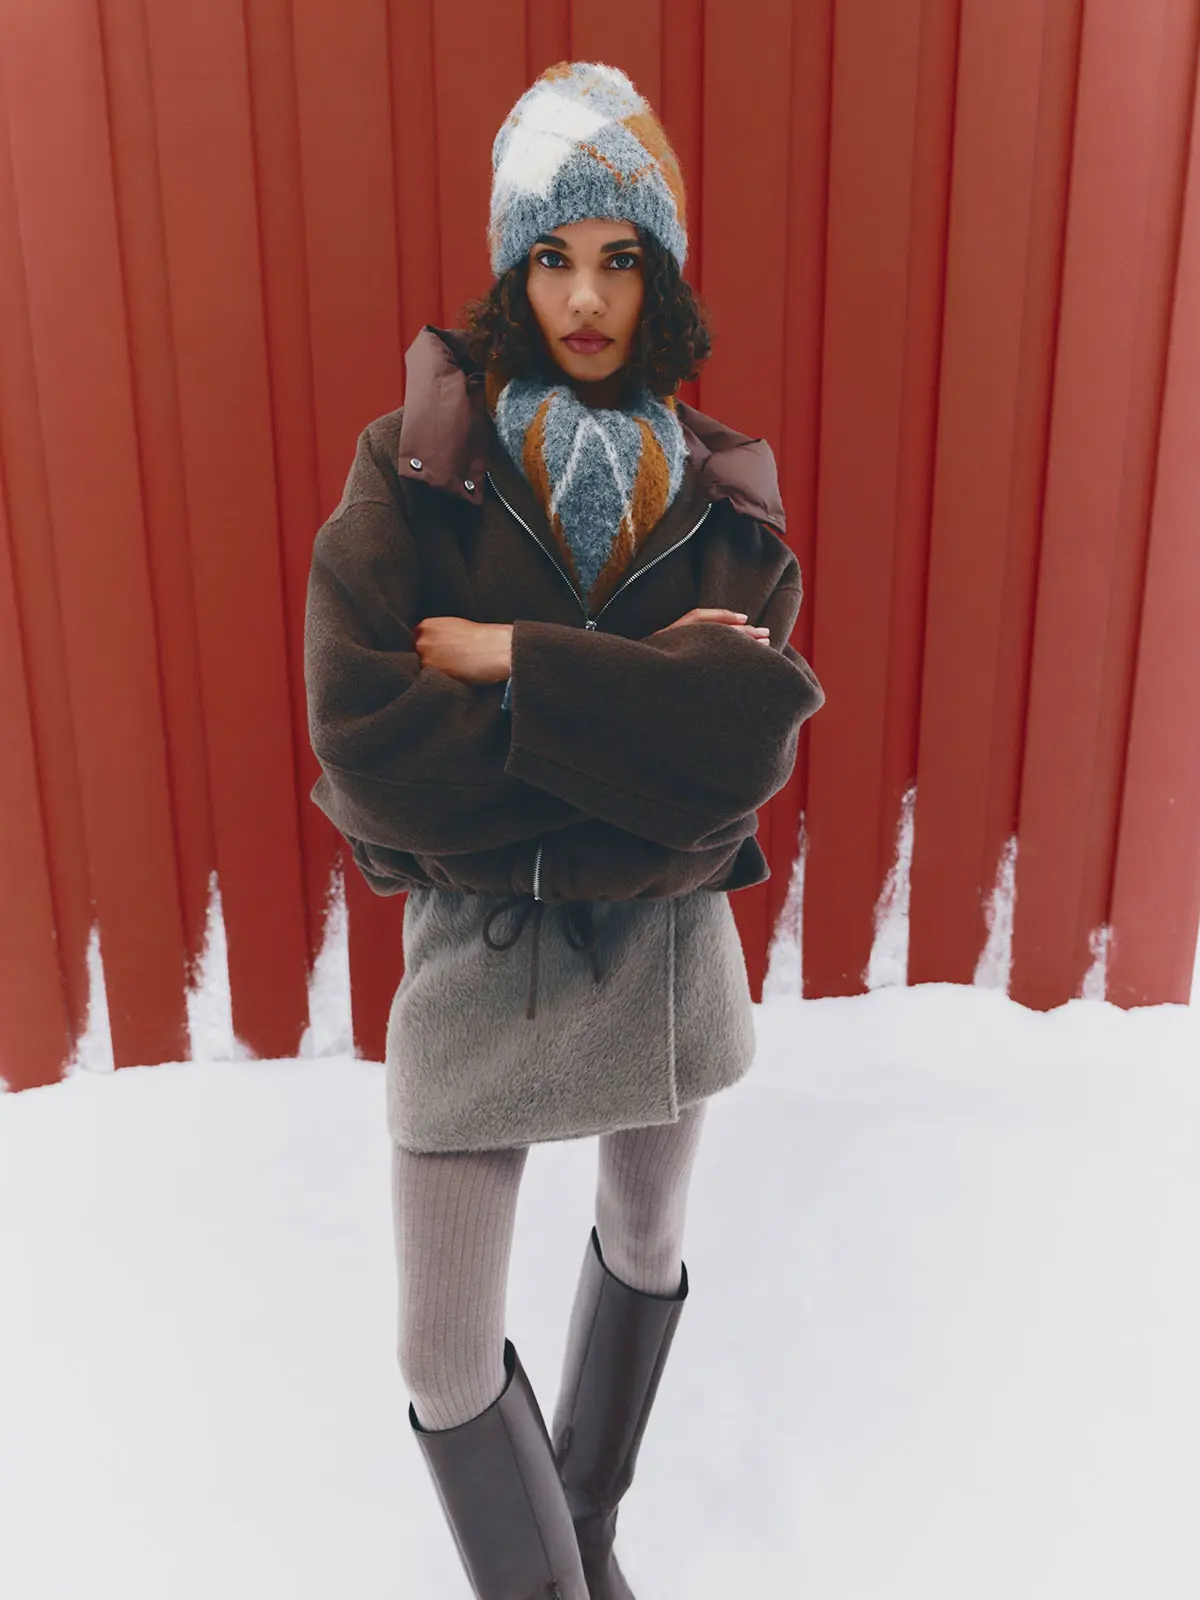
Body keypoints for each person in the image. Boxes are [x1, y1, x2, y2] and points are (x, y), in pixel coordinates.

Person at [303, 59, 825, 1600]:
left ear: (656, 273)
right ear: (509, 269)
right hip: (482, 962)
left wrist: (510, 658)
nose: (584, 295)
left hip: (665, 966)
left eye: (617, 257)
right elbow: (367, 745)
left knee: (645, 1237)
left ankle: (584, 1535)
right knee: (445, 1352)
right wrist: (642, 718)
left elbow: (738, 763)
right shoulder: (416, 470)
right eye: (551, 255)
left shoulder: (734, 500)